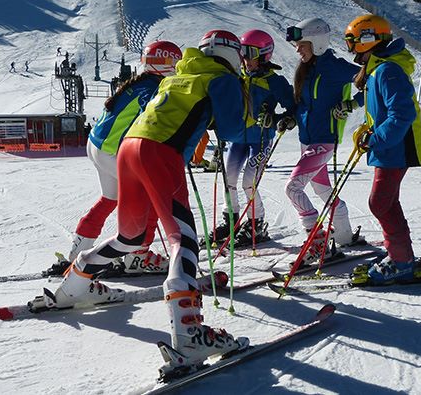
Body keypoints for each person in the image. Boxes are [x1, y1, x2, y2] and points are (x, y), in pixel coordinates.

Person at [47, 29, 248, 371]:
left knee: (133, 237)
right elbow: (233, 131)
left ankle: (73, 286)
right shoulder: (222, 78)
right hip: (160, 153)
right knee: (182, 240)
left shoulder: (182, 74)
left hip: (130, 148)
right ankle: (190, 334)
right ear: (230, 55)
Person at [51, 42, 183, 277]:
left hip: (97, 146)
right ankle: (139, 257)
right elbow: (151, 113)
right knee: (151, 198)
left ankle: (78, 251)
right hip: (113, 150)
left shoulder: (140, 82)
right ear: (170, 64)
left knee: (109, 198)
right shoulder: (155, 87)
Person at [343, 13, 421, 284]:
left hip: (396, 147)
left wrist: (376, 139)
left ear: (368, 39)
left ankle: (401, 262)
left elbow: (401, 115)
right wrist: (369, 132)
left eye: (352, 41)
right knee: (387, 202)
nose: (351, 47)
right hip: (390, 146)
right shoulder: (379, 69)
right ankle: (401, 256)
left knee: (379, 203)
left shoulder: (387, 70)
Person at [281, 17, 364, 260]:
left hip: (324, 140)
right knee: (322, 188)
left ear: (316, 42)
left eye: (301, 44)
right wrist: (289, 117)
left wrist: (351, 104)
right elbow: (303, 105)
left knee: (293, 188)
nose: (297, 49)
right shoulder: (306, 70)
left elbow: (371, 83)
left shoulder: (335, 67)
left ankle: (317, 241)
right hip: (306, 140)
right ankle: (345, 236)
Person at [212, 29, 294, 246]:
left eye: (250, 53)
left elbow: (293, 109)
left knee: (249, 182)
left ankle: (256, 224)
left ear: (265, 54)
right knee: (228, 179)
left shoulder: (275, 81)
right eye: (242, 53)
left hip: (260, 139)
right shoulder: (237, 77)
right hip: (237, 138)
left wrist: (276, 119)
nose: (245, 58)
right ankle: (231, 220)